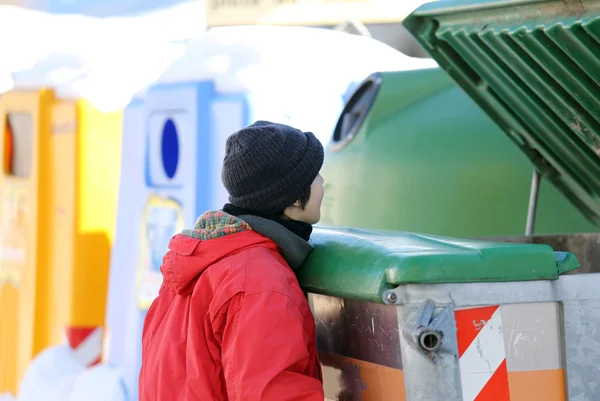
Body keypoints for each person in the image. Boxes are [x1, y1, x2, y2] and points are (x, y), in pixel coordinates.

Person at [139, 120, 325, 401]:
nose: (323, 183)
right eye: (315, 175)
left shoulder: (202, 259)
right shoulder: (260, 282)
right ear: (293, 197)